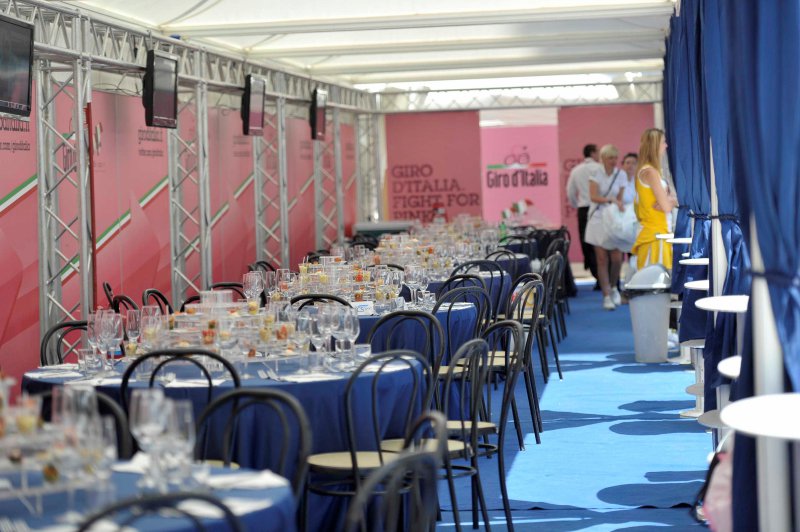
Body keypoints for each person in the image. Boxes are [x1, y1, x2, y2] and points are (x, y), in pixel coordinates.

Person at [584, 144, 627, 310]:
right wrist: (610, 200)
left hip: (613, 219)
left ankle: (614, 287)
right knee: (601, 259)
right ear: (602, 158)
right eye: (610, 158)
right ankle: (606, 295)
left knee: (616, 258)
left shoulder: (621, 174)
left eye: (615, 157)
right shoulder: (595, 173)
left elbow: (620, 198)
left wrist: (619, 205)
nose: (613, 161)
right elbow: (593, 196)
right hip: (597, 219)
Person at [632, 128, 677, 270]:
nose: (666, 146)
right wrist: (673, 200)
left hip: (656, 233)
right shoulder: (650, 172)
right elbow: (666, 206)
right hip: (655, 235)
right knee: (656, 278)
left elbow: (664, 204)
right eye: (663, 142)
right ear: (655, 145)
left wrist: (668, 200)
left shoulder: (647, 170)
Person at [566, 144, 602, 288]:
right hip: (600, 208)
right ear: (592, 153)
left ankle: (597, 275)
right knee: (601, 243)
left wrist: (577, 205)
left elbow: (570, 192)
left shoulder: (576, 170)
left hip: (584, 209)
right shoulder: (601, 168)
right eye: (598, 152)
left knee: (587, 243)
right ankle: (605, 277)